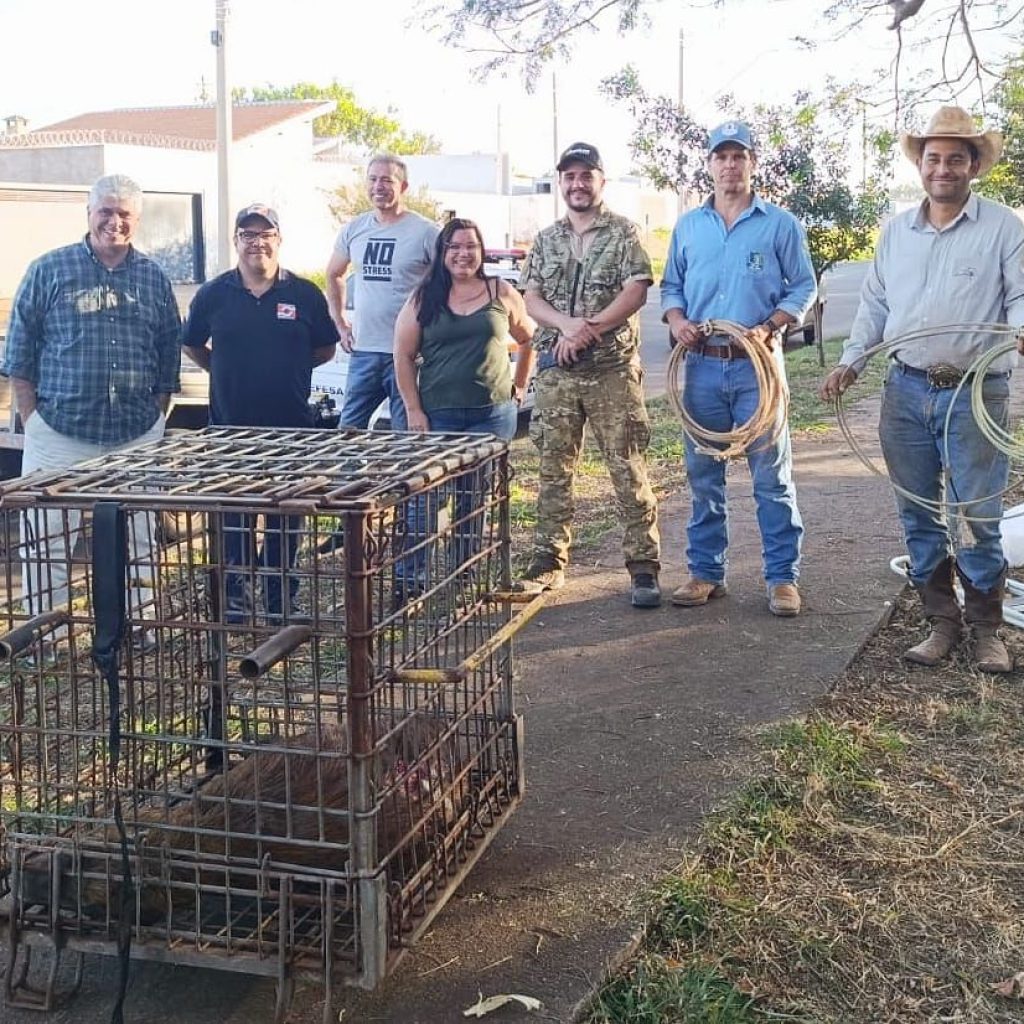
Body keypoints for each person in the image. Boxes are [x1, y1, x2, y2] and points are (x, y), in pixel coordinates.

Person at [820, 106, 1024, 673]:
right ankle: (941, 623)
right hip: (906, 389)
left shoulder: (1004, 228)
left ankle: (986, 630)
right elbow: (875, 304)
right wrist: (851, 362)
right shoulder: (897, 233)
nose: (943, 169)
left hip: (975, 392)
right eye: (933, 158)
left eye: (955, 158)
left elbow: (1020, 296)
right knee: (917, 511)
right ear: (921, 165)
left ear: (974, 165)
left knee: (978, 514)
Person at [3, 173, 181, 639]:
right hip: (58, 431)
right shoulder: (49, 269)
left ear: (137, 219)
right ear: (88, 214)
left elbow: (168, 352)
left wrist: (156, 415)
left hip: (135, 434)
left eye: (124, 213)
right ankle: (46, 635)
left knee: (139, 538)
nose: (114, 222)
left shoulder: (153, 277)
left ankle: (141, 627)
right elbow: (18, 353)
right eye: (106, 211)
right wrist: (33, 420)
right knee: (46, 539)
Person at [662, 121, 816, 618]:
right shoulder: (689, 226)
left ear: (752, 163)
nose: (730, 165)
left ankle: (783, 578)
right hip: (702, 368)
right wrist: (678, 321)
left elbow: (804, 286)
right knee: (703, 475)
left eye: (738, 156)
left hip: (757, 369)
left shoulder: (780, 224)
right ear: (709, 165)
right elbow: (671, 287)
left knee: (771, 478)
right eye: (721, 156)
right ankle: (706, 572)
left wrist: (770, 326)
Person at [514, 142, 661, 608]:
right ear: (561, 182)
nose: (577, 184)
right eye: (570, 176)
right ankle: (547, 561)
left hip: (611, 371)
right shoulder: (546, 239)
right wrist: (566, 327)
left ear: (601, 181)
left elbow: (635, 291)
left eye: (586, 176)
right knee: (553, 468)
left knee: (626, 465)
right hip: (558, 374)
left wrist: (588, 330)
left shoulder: (623, 232)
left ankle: (643, 565)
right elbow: (531, 298)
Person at [183, 204, 338, 623]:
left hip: (291, 429)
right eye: (248, 235)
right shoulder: (214, 294)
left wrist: (288, 369)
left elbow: (325, 348)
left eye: (265, 234)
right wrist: (225, 369)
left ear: (278, 239)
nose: (257, 243)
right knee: (235, 517)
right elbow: (193, 344)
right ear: (236, 241)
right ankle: (236, 602)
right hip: (231, 430)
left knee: (285, 519)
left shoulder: (304, 294)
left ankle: (280, 601)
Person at [394, 217, 536, 440]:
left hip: (494, 415)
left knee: (488, 466)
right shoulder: (423, 297)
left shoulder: (501, 291)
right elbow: (403, 355)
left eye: (471, 246)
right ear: (443, 251)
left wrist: (520, 384)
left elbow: (528, 339)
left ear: (481, 251)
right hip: (438, 416)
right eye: (455, 247)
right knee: (442, 466)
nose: (464, 253)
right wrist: (413, 410)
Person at [326, 154, 439, 431]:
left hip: (408, 354)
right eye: (373, 179)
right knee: (348, 433)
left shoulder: (426, 232)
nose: (379, 186)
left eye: (387, 180)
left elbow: (446, 283)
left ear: (403, 186)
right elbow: (333, 274)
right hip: (363, 351)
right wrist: (340, 323)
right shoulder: (354, 229)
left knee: (406, 436)